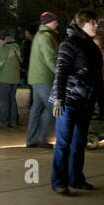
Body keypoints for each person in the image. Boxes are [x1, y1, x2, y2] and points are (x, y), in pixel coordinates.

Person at [50, 10, 104, 195]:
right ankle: (59, 181)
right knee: (64, 142)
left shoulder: (92, 47)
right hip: (68, 101)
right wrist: (59, 99)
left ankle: (76, 178)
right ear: (83, 23)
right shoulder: (70, 44)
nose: (97, 25)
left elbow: (97, 77)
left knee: (79, 142)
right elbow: (61, 72)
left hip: (85, 101)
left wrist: (101, 99)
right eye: (93, 22)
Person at [26, 12, 59, 149]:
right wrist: (60, 73)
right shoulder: (46, 37)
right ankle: (41, 138)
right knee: (52, 108)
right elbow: (50, 59)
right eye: (55, 21)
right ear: (48, 22)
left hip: (36, 78)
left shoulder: (39, 36)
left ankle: (32, 139)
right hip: (44, 78)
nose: (57, 23)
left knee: (36, 110)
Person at [0, 29, 23, 127]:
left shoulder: (4, 49)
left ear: (3, 40)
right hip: (14, 79)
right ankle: (13, 121)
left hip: (3, 79)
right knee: (12, 99)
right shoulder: (16, 48)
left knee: (3, 101)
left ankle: (3, 121)